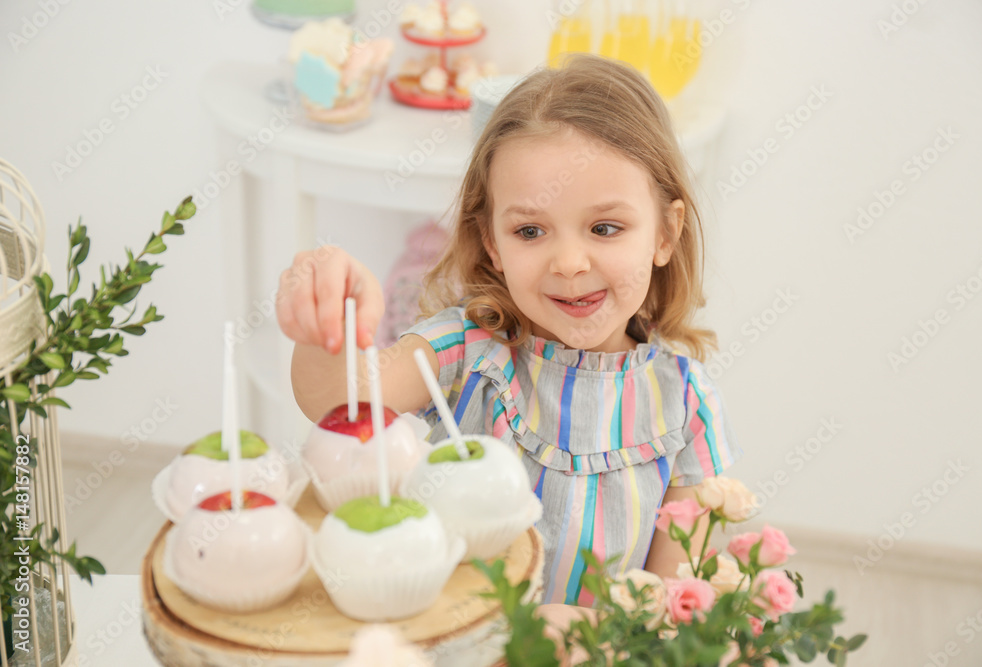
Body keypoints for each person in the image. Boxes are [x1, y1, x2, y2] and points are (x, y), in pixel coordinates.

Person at [276, 54, 742, 611]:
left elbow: (674, 602)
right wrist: (325, 323)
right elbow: (342, 402)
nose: (569, 262)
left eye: (604, 227)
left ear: (665, 233)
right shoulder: (468, 350)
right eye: (530, 231)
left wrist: (582, 634)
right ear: (492, 244)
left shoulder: (687, 403)